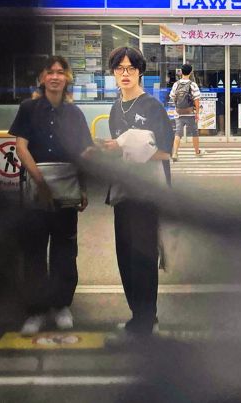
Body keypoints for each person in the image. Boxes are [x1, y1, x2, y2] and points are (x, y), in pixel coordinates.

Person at [9, 56, 93, 335]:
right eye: (50, 72)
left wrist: (82, 186)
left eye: (61, 72)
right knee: (33, 251)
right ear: (42, 78)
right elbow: (21, 147)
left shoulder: (75, 113)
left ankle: (60, 306)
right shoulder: (28, 108)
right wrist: (40, 182)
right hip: (36, 188)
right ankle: (35, 311)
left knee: (64, 251)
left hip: (67, 189)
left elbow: (82, 152)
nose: (55, 77)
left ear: (67, 77)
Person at [100, 47, 174, 339]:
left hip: (147, 194)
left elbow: (166, 152)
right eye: (120, 69)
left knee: (143, 258)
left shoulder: (153, 107)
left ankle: (147, 319)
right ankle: (137, 316)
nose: (126, 74)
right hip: (123, 193)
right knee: (125, 256)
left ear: (140, 71)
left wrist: (128, 145)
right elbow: (119, 151)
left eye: (131, 68)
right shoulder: (116, 109)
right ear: (113, 73)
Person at [168, 63, 203, 161]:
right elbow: (196, 100)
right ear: (191, 72)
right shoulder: (193, 84)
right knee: (194, 132)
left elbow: (172, 97)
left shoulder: (176, 84)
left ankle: (175, 153)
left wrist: (176, 108)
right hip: (190, 113)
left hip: (179, 113)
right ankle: (197, 152)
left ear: (181, 72)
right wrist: (197, 113)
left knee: (178, 133)